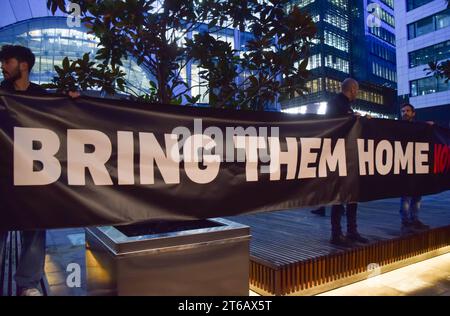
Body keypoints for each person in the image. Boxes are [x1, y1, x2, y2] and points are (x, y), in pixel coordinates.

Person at [0, 45, 48, 296]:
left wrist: (73, 101)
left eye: (7, 61)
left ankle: (28, 284)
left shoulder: (42, 96)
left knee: (35, 224)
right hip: (4, 172)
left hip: (31, 173)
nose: (3, 66)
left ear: (23, 65)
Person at [326, 78, 369, 246]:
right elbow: (336, 125)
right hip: (339, 156)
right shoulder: (337, 104)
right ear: (352, 89)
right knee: (339, 196)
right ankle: (337, 234)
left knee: (352, 195)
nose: (356, 93)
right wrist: (354, 118)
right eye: (356, 90)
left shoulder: (341, 105)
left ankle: (351, 231)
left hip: (347, 155)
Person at [399, 103, 431, 234]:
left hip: (417, 164)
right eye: (402, 111)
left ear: (413, 113)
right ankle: (406, 220)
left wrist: (429, 127)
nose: (404, 113)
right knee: (406, 194)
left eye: (407, 111)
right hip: (405, 165)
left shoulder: (419, 127)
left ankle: (415, 218)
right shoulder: (397, 127)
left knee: (417, 193)